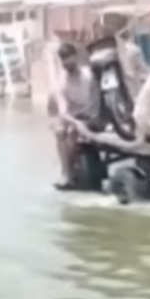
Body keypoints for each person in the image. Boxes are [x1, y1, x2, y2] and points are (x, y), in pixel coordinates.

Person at [48, 42, 100, 190]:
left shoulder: (89, 76)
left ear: (75, 57)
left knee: (74, 131)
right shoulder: (62, 83)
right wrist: (75, 123)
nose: (66, 62)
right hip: (72, 119)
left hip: (92, 116)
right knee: (61, 132)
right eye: (63, 59)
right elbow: (63, 112)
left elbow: (97, 99)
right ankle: (66, 173)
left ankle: (73, 171)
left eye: (68, 57)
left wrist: (92, 118)